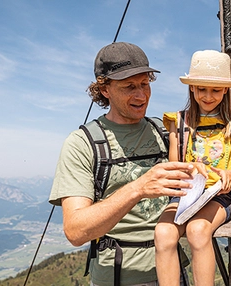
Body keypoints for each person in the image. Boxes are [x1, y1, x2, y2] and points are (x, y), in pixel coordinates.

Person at [49, 42, 206, 286]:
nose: (141, 95)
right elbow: (76, 231)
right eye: (129, 87)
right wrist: (138, 188)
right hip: (118, 277)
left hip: (173, 272)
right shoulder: (82, 143)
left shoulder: (166, 132)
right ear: (104, 89)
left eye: (145, 84)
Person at [154, 50, 231, 286]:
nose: (208, 96)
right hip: (186, 194)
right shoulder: (179, 123)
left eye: (215, 90)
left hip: (220, 195)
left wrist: (230, 175)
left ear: (225, 90)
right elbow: (173, 168)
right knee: (163, 233)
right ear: (192, 89)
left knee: (198, 230)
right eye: (202, 89)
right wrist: (190, 167)